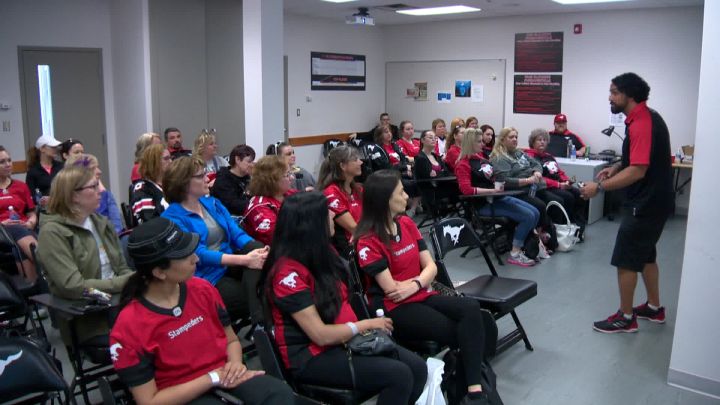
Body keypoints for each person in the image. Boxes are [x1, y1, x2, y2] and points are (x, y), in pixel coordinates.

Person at [262, 192, 426, 405]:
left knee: (417, 368)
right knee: (399, 375)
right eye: (326, 212)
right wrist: (365, 324)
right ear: (311, 224)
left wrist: (361, 329)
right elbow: (320, 335)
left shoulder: (323, 252)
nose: (332, 214)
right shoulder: (286, 274)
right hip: (312, 356)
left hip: (344, 338)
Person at [111, 218, 294, 405]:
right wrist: (212, 378)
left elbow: (231, 340)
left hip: (223, 377)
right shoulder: (129, 325)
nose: (196, 259)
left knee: (278, 394)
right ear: (159, 272)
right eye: (185, 256)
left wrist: (236, 364)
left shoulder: (202, 289)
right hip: (180, 395)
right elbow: (149, 401)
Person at [355, 170, 499, 405]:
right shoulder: (368, 241)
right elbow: (392, 290)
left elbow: (431, 266)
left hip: (419, 293)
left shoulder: (406, 223)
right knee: (465, 332)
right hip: (394, 308)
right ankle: (473, 391)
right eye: (400, 192)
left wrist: (417, 282)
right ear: (384, 200)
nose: (406, 195)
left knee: (472, 309)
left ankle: (473, 391)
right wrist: (422, 280)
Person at [581, 73, 674, 333]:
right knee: (646, 256)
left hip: (645, 204)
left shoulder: (642, 123)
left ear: (629, 95)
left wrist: (598, 187)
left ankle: (626, 317)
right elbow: (638, 160)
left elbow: (638, 171)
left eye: (613, 92)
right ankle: (655, 309)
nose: (609, 97)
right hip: (656, 202)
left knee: (626, 259)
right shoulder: (646, 116)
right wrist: (617, 166)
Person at [36, 164, 133, 350]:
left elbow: (122, 267)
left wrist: (130, 285)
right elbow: (73, 286)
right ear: (73, 195)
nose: (102, 190)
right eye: (94, 186)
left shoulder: (101, 222)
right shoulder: (52, 233)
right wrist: (126, 283)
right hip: (89, 317)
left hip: (120, 305)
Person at [161, 156, 268, 323]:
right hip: (207, 276)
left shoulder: (212, 204)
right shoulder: (172, 218)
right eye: (200, 176)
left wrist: (257, 252)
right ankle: (260, 318)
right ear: (183, 183)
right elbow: (199, 255)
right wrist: (246, 260)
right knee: (255, 293)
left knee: (256, 247)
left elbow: (236, 234)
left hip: (230, 264)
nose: (207, 179)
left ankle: (259, 318)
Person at [455, 129, 538, 267]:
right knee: (528, 216)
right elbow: (466, 189)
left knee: (535, 212)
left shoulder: (482, 159)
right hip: (483, 205)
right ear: (470, 143)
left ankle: (525, 245)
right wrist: (492, 190)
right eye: (479, 141)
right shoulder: (463, 164)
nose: (483, 144)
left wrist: (500, 182)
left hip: (497, 197)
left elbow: (495, 177)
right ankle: (515, 253)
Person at [491, 127, 562, 241]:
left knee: (556, 200)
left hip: (534, 187)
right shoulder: (499, 158)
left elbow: (536, 163)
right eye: (511, 137)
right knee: (540, 205)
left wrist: (537, 172)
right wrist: (527, 180)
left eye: (516, 137)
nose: (515, 139)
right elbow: (505, 180)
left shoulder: (519, 152)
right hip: (518, 191)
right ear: (502, 140)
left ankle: (548, 233)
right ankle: (538, 237)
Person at [526, 128, 586, 238]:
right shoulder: (530, 157)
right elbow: (540, 178)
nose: (542, 142)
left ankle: (578, 228)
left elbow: (559, 172)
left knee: (580, 194)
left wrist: (566, 181)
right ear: (533, 142)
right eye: (539, 140)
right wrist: (559, 185)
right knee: (567, 197)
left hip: (559, 184)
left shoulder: (549, 156)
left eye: (544, 140)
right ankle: (561, 231)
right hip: (545, 187)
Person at [0, 146, 39, 281]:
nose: (8, 164)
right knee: (16, 228)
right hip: (2, 231)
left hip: (23, 228)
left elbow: (31, 213)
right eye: (2, 162)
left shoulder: (21, 186)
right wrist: (2, 224)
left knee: (20, 245)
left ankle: (33, 288)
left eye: (9, 160)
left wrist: (31, 222)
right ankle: (47, 265)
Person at [318, 146, 363, 257]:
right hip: (348, 250)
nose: (361, 162)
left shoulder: (359, 189)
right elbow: (353, 228)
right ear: (343, 166)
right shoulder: (331, 193)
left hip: (364, 240)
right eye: (355, 159)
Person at [66, 154, 124, 234]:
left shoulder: (105, 195)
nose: (99, 171)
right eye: (93, 168)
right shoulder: (58, 226)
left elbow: (117, 230)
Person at [243, 156, 291, 247]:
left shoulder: (288, 193)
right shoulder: (259, 206)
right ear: (272, 180)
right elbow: (277, 238)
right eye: (287, 175)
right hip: (272, 255)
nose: (291, 178)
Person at [130, 144, 171, 225]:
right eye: (166, 159)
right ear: (153, 162)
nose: (171, 162)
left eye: (170, 158)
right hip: (159, 234)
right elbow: (148, 222)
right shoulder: (142, 188)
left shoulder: (171, 183)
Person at [211, 145, 255, 217]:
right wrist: (255, 204)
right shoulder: (223, 180)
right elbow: (233, 205)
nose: (252, 165)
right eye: (249, 161)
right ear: (237, 159)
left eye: (252, 162)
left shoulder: (248, 178)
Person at [26, 134, 64, 207]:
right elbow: (31, 196)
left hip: (63, 207)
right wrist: (41, 200)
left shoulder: (62, 167)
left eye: (56, 147)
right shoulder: (33, 172)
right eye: (52, 147)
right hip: (45, 210)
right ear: (42, 149)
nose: (56, 149)